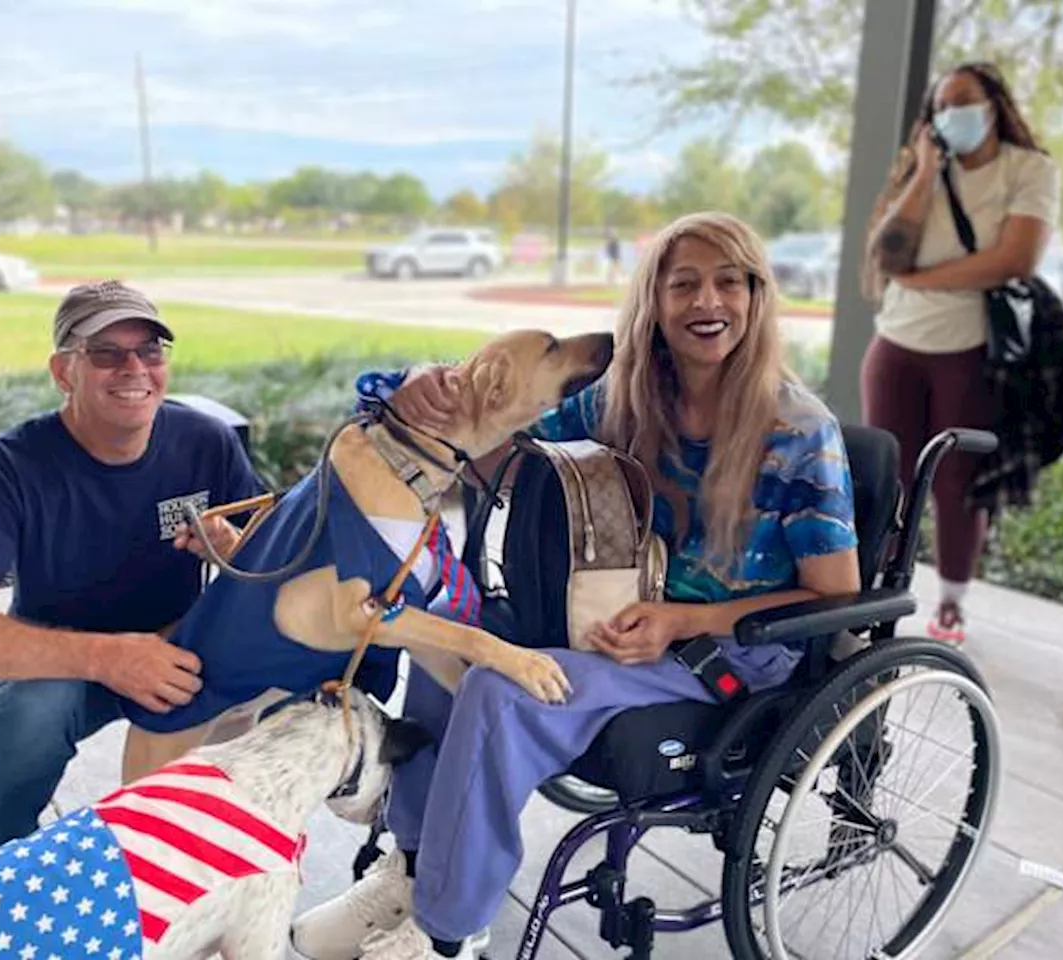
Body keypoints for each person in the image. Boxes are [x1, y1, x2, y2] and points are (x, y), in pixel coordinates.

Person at [289, 211, 861, 960]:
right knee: (451, 648)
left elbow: (836, 596)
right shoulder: (626, 398)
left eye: (728, 282)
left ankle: (447, 931)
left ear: (756, 297)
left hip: (729, 655)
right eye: (682, 283)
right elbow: (499, 441)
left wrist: (685, 621)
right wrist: (425, 390)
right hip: (613, 618)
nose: (705, 302)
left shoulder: (798, 431)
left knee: (500, 693)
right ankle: (416, 864)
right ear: (653, 301)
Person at [0, 279, 265, 860]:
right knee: (32, 712)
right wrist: (110, 657)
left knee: (267, 709)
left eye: (150, 350)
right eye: (106, 354)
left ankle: (216, 871)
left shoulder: (206, 442)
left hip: (179, 647)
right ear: (63, 370)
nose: (134, 368)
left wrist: (231, 545)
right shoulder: (7, 470)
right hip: (63, 657)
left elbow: (273, 562)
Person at [861, 61, 1060, 643]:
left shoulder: (1028, 170)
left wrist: (925, 279)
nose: (953, 114)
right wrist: (925, 173)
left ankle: (951, 602)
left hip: (969, 349)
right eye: (942, 106)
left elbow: (1014, 259)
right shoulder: (922, 169)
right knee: (889, 479)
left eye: (965, 101)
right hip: (897, 342)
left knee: (957, 482)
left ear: (995, 105)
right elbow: (888, 256)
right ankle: (878, 590)